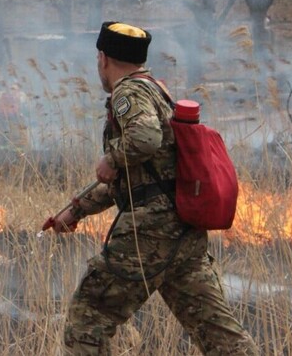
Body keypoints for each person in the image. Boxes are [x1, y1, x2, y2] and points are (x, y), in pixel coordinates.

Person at [45, 22, 258, 356]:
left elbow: (144, 140)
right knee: (218, 332)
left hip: (150, 233)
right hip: (182, 233)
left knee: (89, 315)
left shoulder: (128, 92)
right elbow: (143, 182)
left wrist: (112, 158)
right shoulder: (157, 91)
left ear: (103, 58)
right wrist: (76, 210)